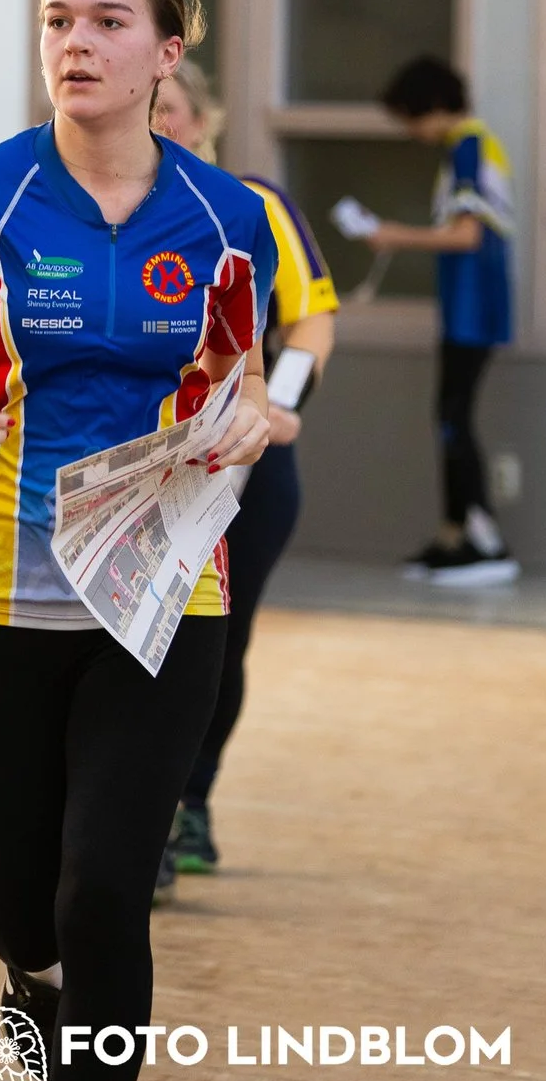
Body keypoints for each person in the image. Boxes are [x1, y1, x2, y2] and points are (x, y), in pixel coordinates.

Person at [0, 0, 275, 1081]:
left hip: (162, 586)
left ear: (165, 51)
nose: (75, 43)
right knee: (26, 898)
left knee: (104, 884)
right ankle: (28, 974)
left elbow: (242, 365)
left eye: (105, 21)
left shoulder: (226, 214)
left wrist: (245, 414)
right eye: (56, 20)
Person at [147, 60, 337, 903]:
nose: (160, 121)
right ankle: (137, 823)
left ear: (204, 119)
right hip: (145, 471)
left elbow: (312, 316)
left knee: (218, 642)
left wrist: (281, 407)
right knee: (135, 646)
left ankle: (189, 800)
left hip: (246, 465)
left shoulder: (248, 205)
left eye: (173, 110)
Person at [361, 55, 518, 586]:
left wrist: (394, 234)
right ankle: (457, 532)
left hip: (475, 307)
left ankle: (481, 537)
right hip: (466, 305)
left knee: (454, 417)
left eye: (411, 117)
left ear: (430, 107)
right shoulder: (466, 147)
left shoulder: (470, 146)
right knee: (450, 416)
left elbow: (467, 235)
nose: (411, 131)